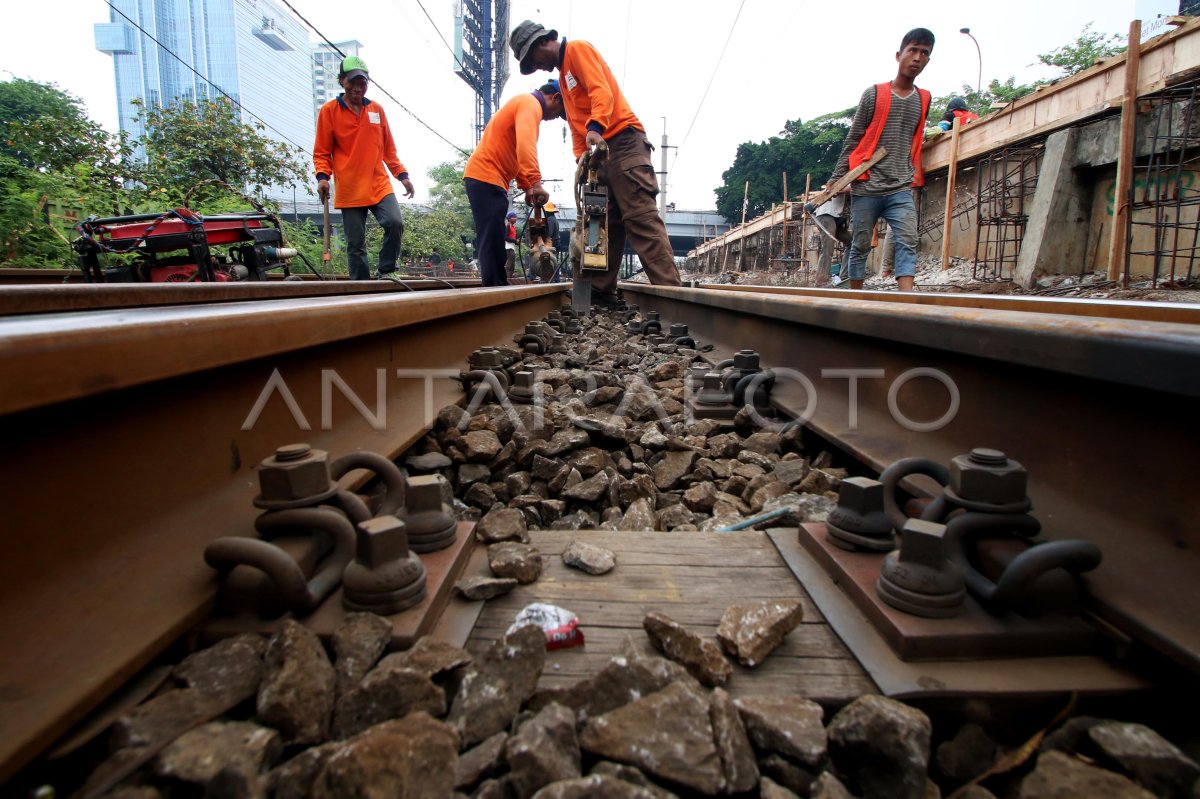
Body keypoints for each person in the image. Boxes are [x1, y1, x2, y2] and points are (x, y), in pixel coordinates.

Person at [511, 20, 682, 306]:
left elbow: (601, 91)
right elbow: (579, 131)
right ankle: (601, 291)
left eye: (533, 59)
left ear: (543, 42)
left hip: (623, 143)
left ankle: (673, 295)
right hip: (603, 153)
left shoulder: (577, 50)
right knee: (607, 224)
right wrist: (582, 159)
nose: (537, 66)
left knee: (639, 218)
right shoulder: (564, 78)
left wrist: (596, 127)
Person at [828, 28, 935, 292]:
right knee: (861, 244)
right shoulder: (874, 94)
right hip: (867, 188)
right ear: (899, 55)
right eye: (913, 50)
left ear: (928, 61)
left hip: (900, 187)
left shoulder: (923, 99)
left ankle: (905, 303)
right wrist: (836, 178)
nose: (917, 58)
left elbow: (914, 139)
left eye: (925, 53)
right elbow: (853, 139)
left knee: (908, 239)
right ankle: (856, 298)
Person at [313, 56, 415, 280]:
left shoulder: (376, 110)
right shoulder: (329, 111)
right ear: (342, 81)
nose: (358, 88)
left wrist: (402, 175)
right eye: (353, 82)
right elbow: (322, 152)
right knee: (355, 244)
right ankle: (361, 287)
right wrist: (322, 177)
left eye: (363, 83)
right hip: (350, 187)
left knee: (395, 222)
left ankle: (386, 270)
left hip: (378, 182)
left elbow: (388, 149)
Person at [463, 79, 565, 286]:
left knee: (494, 235)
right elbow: (526, 146)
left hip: (489, 178)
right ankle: (493, 288)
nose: (556, 117)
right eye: (560, 111)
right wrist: (535, 182)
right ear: (555, 97)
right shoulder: (530, 104)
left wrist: (527, 186)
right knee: (491, 237)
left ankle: (497, 285)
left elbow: (515, 152)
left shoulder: (525, 104)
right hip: (486, 176)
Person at [812, 192, 851, 284]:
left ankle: (844, 276)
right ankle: (821, 280)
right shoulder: (846, 180)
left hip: (837, 216)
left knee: (851, 243)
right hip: (826, 214)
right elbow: (845, 188)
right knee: (828, 248)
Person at [504, 211, 519, 280]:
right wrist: (515, 241)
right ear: (510, 218)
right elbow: (506, 238)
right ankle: (507, 278)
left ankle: (509, 278)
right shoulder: (508, 225)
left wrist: (516, 242)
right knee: (510, 264)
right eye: (514, 217)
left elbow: (512, 237)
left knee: (512, 264)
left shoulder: (513, 227)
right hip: (508, 247)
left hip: (512, 247)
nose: (516, 218)